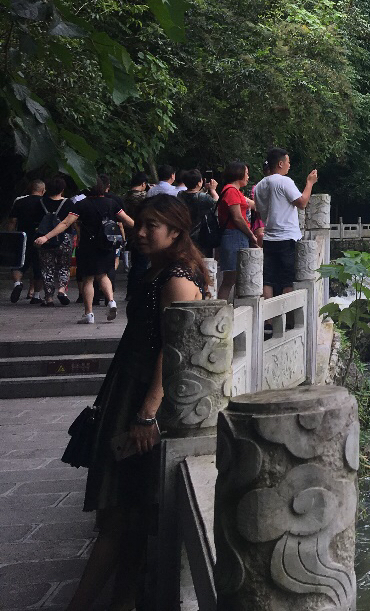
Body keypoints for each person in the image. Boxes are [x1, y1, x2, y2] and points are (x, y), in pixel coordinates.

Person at [63, 195, 207, 611]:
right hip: (127, 388)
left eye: (152, 227)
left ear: (176, 232)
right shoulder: (160, 271)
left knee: (120, 513)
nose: (140, 233)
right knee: (128, 514)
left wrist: (146, 413)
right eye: (139, 224)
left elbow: (172, 348)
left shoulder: (176, 279)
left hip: (142, 398)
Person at [37, 176, 134, 324]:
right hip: (107, 244)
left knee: (88, 279)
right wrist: (145, 229)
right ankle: (111, 301)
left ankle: (89, 314)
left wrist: (46, 237)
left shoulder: (81, 205)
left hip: (88, 246)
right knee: (103, 275)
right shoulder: (111, 203)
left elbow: (65, 223)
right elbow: (127, 220)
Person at [253, 148, 317, 298]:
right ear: (280, 164)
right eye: (288, 162)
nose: (290, 165)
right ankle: (287, 319)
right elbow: (302, 203)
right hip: (286, 237)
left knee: (268, 279)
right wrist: (310, 183)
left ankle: (268, 320)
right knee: (287, 279)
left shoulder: (259, 186)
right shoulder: (283, 181)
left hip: (268, 237)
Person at [215, 161, 257, 300]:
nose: (248, 177)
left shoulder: (235, 191)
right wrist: (251, 235)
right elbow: (237, 218)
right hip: (234, 235)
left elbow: (253, 205)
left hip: (238, 236)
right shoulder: (231, 191)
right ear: (238, 174)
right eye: (246, 173)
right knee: (230, 278)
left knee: (236, 277)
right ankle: (222, 308)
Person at [32, 177, 74, 306]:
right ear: (62, 189)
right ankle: (62, 290)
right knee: (64, 266)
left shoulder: (40, 202)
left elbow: (36, 220)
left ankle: (48, 297)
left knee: (46, 268)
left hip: (44, 238)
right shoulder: (68, 203)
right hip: (64, 239)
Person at [6, 178, 46, 303]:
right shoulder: (45, 202)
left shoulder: (19, 201)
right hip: (40, 237)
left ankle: (17, 283)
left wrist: (11, 235)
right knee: (38, 266)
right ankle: (36, 295)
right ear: (42, 190)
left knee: (19, 263)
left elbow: (12, 221)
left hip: (22, 236)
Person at [179, 169, 220, 258]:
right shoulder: (203, 198)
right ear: (199, 183)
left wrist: (204, 188)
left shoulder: (180, 195)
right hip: (201, 234)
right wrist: (213, 190)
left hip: (185, 232)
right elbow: (217, 204)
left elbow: (193, 195)